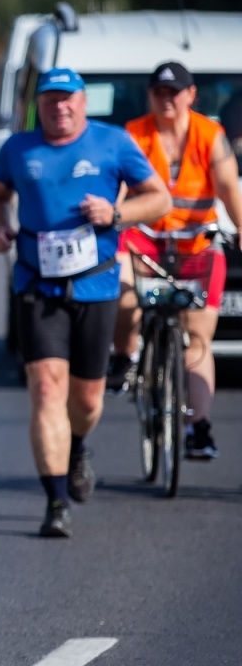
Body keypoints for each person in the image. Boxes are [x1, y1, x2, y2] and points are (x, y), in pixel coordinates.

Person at [0, 68, 171, 539]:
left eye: (68, 99)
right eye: (50, 100)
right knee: (46, 388)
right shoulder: (18, 149)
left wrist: (117, 214)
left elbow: (160, 199)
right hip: (36, 286)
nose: (59, 107)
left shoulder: (114, 143)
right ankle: (56, 500)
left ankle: (79, 444)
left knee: (86, 397)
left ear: (83, 103)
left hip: (95, 286)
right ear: (39, 105)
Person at [108, 61, 242, 460]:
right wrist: (112, 221)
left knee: (198, 338)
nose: (167, 100)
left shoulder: (209, 135)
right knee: (123, 293)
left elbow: (229, 189)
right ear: (150, 97)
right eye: (159, 93)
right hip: (142, 240)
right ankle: (124, 355)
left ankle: (198, 427)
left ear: (191, 95)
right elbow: (116, 189)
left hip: (196, 245)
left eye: (175, 92)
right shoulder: (133, 135)